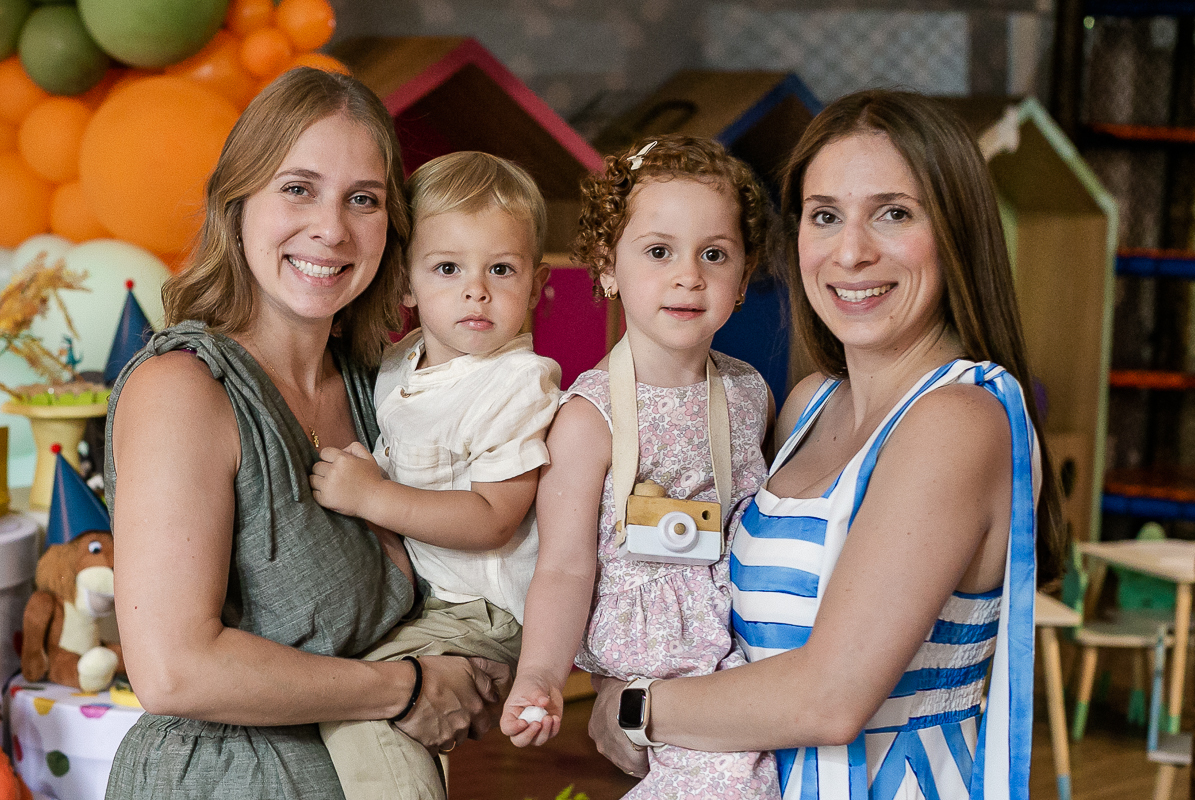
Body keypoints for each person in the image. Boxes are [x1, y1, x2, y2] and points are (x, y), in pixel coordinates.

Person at [584, 90, 1064, 800]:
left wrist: (632, 708)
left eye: (893, 214)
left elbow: (830, 699)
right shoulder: (808, 404)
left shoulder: (958, 417)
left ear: (957, 228)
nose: (851, 252)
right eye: (825, 215)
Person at [103, 68, 507, 800]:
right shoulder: (184, 390)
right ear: (238, 200)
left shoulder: (379, 386)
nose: (332, 228)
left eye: (364, 200)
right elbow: (173, 669)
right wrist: (408, 689)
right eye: (298, 188)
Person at [500, 134, 781, 798]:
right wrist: (540, 674)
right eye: (659, 252)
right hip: (652, 661)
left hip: (740, 650)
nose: (689, 275)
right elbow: (564, 565)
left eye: (714, 255)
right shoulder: (589, 417)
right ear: (607, 267)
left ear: (742, 280)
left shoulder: (750, 393)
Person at [308, 150, 561, 800]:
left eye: (501, 269)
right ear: (409, 285)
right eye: (448, 268)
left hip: (484, 609)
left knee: (364, 701)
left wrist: (374, 497)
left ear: (536, 285)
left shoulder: (517, 383)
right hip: (431, 598)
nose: (476, 289)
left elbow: (492, 517)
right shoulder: (400, 363)